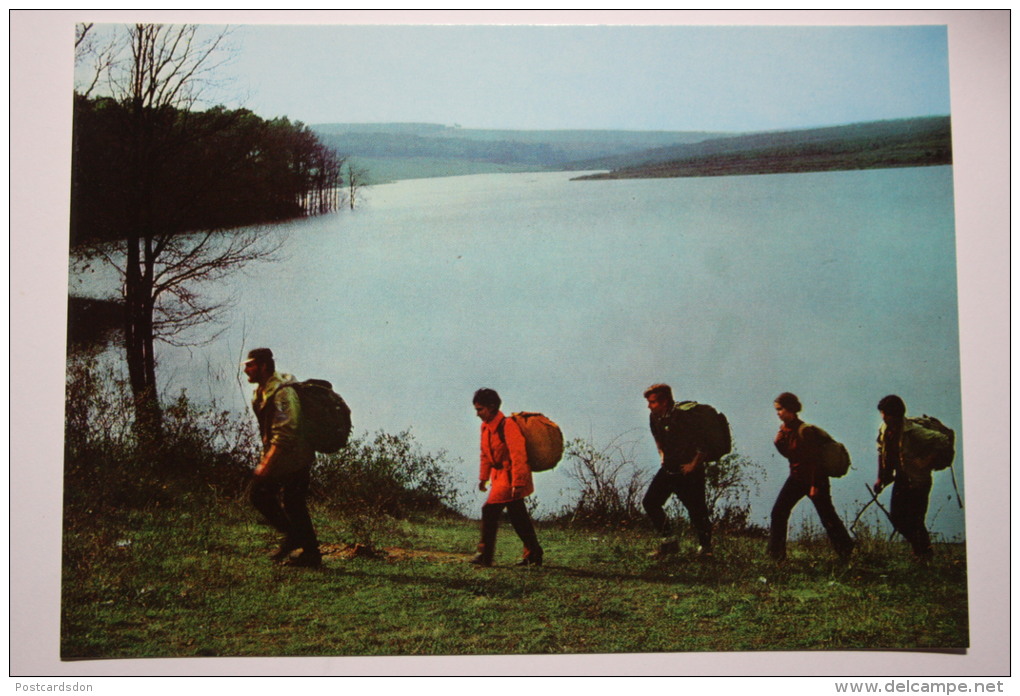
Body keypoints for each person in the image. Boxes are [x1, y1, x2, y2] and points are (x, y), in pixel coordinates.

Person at [243, 348, 322, 568]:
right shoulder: (263, 391)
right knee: (293, 503)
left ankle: (297, 540)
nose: (246, 370)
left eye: (250, 365)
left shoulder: (282, 392)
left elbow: (285, 431)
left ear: (263, 366)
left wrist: (266, 464)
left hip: (294, 457)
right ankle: (309, 552)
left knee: (263, 496)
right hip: (286, 457)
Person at [768, 392, 854, 561]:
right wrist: (779, 441)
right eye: (777, 410)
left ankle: (846, 552)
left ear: (791, 409)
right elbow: (791, 455)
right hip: (797, 478)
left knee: (827, 515)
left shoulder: (804, 430)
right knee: (778, 512)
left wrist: (815, 486)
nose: (778, 413)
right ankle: (776, 556)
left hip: (815, 478)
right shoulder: (785, 431)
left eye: (780, 409)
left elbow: (815, 461)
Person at [469, 388, 543, 568]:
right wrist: (483, 477)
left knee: (490, 511)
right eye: (477, 409)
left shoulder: (508, 425)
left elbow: (519, 456)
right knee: (518, 517)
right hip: (499, 478)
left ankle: (485, 554)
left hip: (511, 477)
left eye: (480, 409)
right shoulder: (485, 427)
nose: (477, 414)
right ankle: (534, 552)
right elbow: (485, 454)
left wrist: (518, 482)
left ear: (492, 407)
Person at [642, 383, 713, 559]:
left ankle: (706, 549)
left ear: (665, 401)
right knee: (650, 502)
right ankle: (669, 543)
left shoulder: (683, 416)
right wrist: (662, 456)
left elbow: (703, 443)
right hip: (669, 469)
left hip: (689, 471)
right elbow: (658, 439)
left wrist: (693, 465)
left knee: (697, 510)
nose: (649, 406)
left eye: (653, 402)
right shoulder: (655, 417)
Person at [875, 394, 936, 561]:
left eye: (886, 414)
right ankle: (922, 551)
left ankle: (923, 554)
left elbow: (942, 441)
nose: (883, 417)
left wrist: (925, 461)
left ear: (896, 414)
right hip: (902, 479)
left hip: (919, 481)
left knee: (915, 519)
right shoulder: (885, 429)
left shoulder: (914, 431)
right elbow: (881, 452)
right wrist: (880, 478)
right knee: (897, 518)